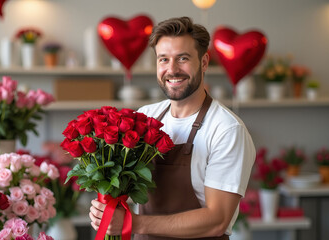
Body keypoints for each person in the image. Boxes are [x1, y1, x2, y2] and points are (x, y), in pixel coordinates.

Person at [89, 16, 255, 239]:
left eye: (183, 58)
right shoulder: (145, 117)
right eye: (163, 59)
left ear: (204, 62)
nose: (172, 69)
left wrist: (132, 222)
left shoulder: (226, 129)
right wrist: (106, 209)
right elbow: (126, 188)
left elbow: (217, 220)